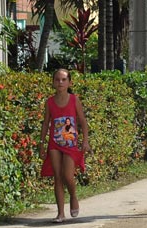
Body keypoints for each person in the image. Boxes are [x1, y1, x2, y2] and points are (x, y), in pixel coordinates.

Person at [39, 68, 90, 223]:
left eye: (63, 80)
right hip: (54, 143)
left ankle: (73, 195)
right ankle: (60, 213)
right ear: (53, 83)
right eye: (57, 80)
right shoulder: (49, 102)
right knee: (58, 176)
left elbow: (82, 121)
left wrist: (85, 141)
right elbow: (46, 123)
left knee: (68, 175)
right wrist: (41, 144)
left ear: (69, 82)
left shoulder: (74, 100)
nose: (60, 82)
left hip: (70, 143)